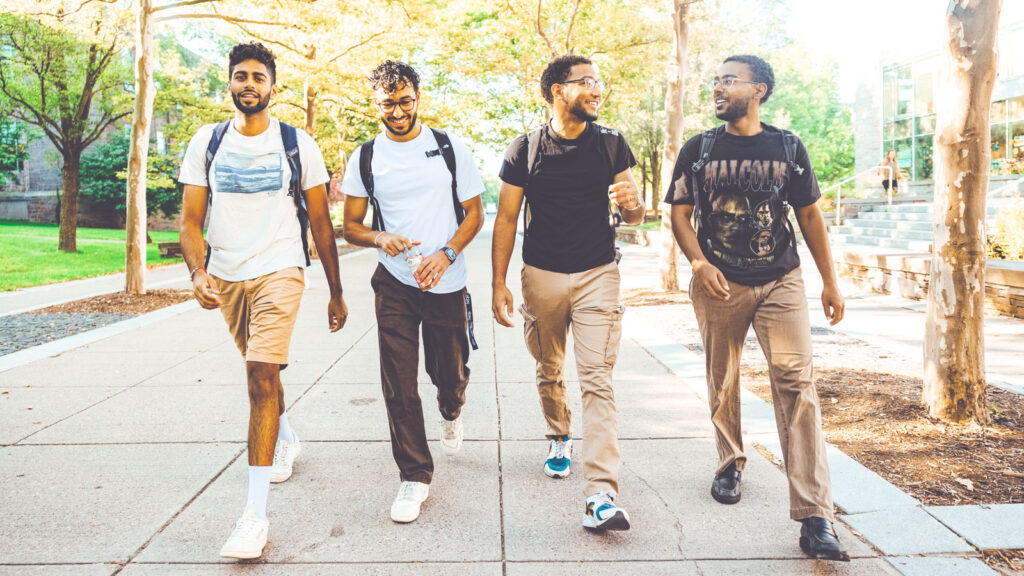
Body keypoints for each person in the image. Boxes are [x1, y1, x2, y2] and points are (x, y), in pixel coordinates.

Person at [665, 54, 849, 561]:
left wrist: (830, 283)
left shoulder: (787, 146)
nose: (718, 88)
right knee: (722, 376)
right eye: (717, 81)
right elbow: (679, 212)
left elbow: (809, 214)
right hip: (720, 281)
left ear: (759, 90)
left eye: (730, 80)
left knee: (797, 383)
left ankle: (815, 515)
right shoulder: (699, 148)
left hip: (781, 278)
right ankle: (730, 460)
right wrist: (699, 264)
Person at [178, 42, 347, 559]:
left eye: (258, 77)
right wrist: (197, 271)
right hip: (227, 275)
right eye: (239, 76)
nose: (248, 84)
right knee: (264, 374)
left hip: (280, 268)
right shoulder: (207, 141)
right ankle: (287, 436)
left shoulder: (298, 144)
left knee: (258, 376)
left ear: (274, 87)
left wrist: (337, 291)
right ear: (229, 84)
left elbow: (320, 222)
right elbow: (189, 220)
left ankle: (254, 516)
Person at [492, 54, 644, 532]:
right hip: (542, 275)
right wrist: (498, 281)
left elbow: (633, 213)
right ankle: (559, 434)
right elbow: (506, 218)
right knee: (549, 365)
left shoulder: (612, 144)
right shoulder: (526, 149)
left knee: (597, 379)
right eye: (586, 82)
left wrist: (635, 207)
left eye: (600, 82)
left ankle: (600, 494)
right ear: (558, 90)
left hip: (598, 271)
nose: (597, 90)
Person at [342, 60, 485, 524]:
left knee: (450, 373)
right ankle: (414, 476)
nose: (398, 111)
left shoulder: (447, 147)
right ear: (376, 103)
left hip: (446, 280)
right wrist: (380, 238)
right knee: (398, 381)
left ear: (418, 98)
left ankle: (452, 407)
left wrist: (445, 253)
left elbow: (474, 215)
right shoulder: (365, 156)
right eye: (388, 103)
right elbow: (351, 226)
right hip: (395, 282)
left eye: (405, 101)